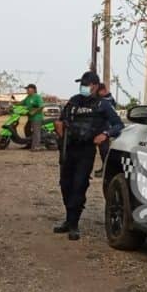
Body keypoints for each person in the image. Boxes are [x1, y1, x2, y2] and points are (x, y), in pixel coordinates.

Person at [55, 71, 124, 240]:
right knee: (65, 184)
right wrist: (59, 126)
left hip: (86, 150)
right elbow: (62, 119)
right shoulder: (74, 101)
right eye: (82, 83)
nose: (83, 87)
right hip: (69, 148)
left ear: (95, 86)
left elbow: (118, 125)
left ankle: (73, 224)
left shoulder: (103, 105)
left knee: (79, 185)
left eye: (87, 84)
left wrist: (105, 134)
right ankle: (68, 218)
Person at [92, 86, 118, 178]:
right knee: (101, 151)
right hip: (101, 128)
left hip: (105, 129)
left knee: (104, 151)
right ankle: (105, 168)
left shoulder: (108, 101)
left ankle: (107, 170)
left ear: (103, 91)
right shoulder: (106, 99)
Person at [21, 83, 44, 151]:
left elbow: (41, 106)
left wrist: (34, 111)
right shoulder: (28, 97)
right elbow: (22, 103)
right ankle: (29, 144)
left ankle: (36, 146)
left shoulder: (37, 97)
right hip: (30, 118)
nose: (27, 90)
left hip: (37, 118)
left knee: (36, 132)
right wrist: (13, 104)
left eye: (28, 89)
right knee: (26, 129)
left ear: (33, 89)